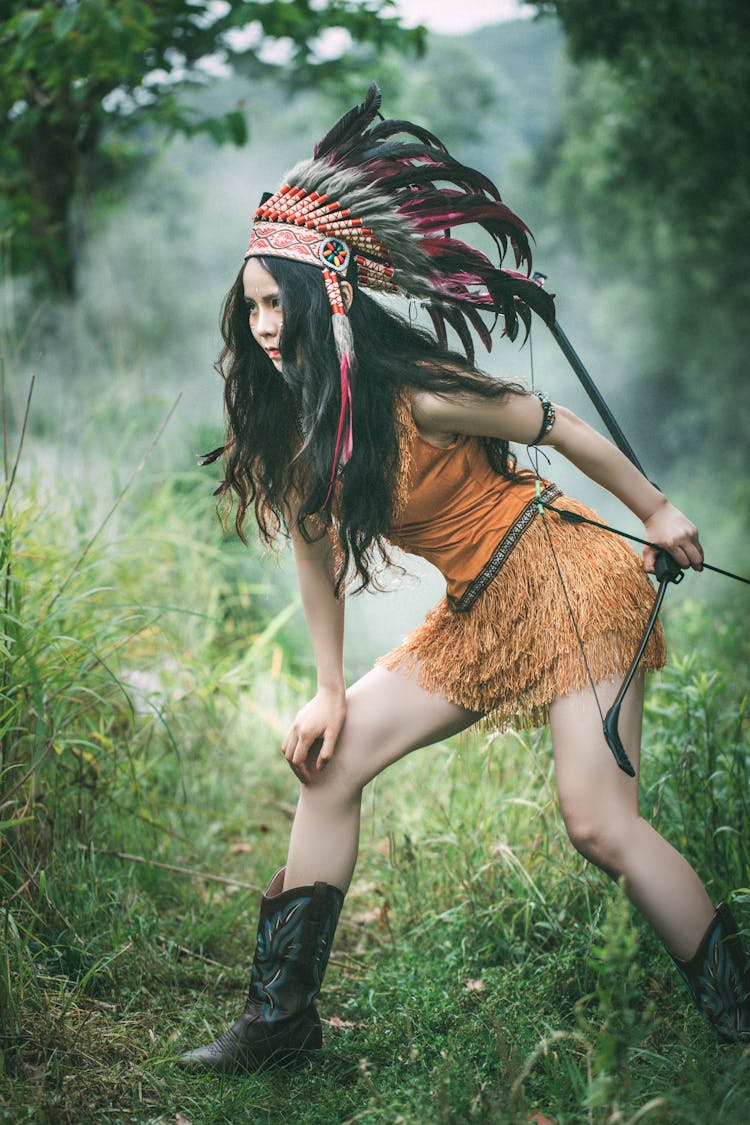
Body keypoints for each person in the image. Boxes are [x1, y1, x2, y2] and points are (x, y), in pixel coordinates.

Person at [179, 85, 749, 1069]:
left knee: (599, 826)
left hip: (571, 578)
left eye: (281, 301)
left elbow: (555, 424)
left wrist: (656, 512)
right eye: (253, 304)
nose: (266, 322)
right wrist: (326, 690)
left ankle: (741, 1017)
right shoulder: (296, 427)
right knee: (332, 758)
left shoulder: (421, 392)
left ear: (327, 296)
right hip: (478, 607)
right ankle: (279, 1026)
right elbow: (316, 563)